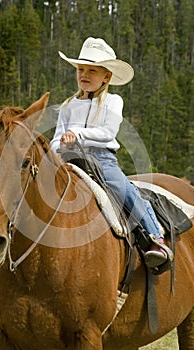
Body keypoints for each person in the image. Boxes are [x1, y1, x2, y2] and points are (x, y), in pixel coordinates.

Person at [50, 37, 173, 270]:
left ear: (106, 76)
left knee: (121, 188)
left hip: (101, 159)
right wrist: (60, 147)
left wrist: (77, 133)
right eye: (81, 69)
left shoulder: (113, 102)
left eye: (92, 71)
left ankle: (154, 237)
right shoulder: (68, 106)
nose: (84, 74)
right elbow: (56, 138)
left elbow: (108, 133)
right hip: (68, 159)